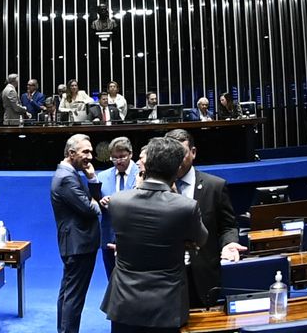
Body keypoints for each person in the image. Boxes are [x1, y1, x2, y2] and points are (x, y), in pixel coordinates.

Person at [101, 137, 207, 333]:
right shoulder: (185, 206)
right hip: (166, 304)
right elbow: (201, 239)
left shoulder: (118, 201)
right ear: (176, 170)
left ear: (145, 166)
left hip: (125, 300)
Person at [163, 128, 242, 307]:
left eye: (180, 154)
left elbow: (227, 226)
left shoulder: (215, 186)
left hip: (202, 275)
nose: (175, 160)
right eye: (170, 154)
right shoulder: (157, 188)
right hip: (166, 277)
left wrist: (229, 243)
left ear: (193, 152)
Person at [50, 134, 101, 333]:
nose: (90, 156)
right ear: (71, 153)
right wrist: (94, 203)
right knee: (74, 296)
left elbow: (92, 202)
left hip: (77, 243)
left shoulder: (71, 175)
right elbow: (91, 209)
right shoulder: (66, 179)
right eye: (85, 151)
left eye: (91, 151)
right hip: (78, 244)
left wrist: (92, 179)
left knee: (68, 293)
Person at [95, 136, 139, 277]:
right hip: (109, 236)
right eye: (114, 158)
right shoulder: (102, 176)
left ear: (131, 154)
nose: (118, 161)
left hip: (134, 237)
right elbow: (94, 203)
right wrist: (101, 202)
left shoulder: (141, 174)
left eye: (122, 157)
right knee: (112, 280)